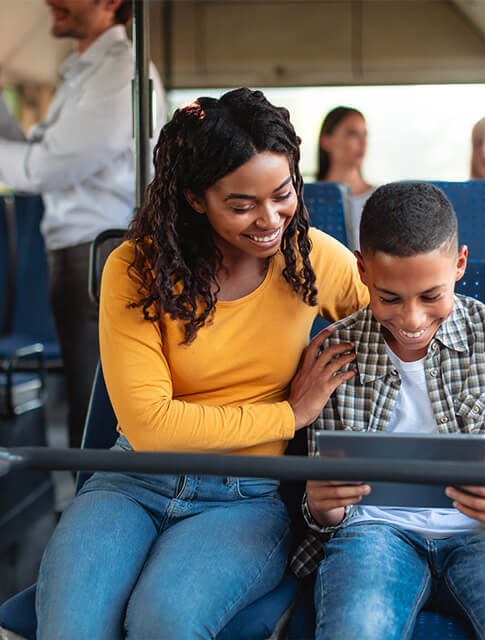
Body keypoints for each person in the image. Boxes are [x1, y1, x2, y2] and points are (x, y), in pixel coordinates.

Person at [34, 88, 369, 639]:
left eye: (282, 194)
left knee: (162, 621)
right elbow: (151, 426)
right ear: (195, 198)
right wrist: (289, 415)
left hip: (245, 495)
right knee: (71, 627)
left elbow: (412, 329)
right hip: (132, 483)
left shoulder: (314, 259)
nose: (270, 219)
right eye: (241, 205)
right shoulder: (135, 269)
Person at [290, 182, 485, 639]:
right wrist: (322, 508)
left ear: (460, 264)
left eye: (430, 296)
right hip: (375, 531)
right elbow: (327, 500)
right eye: (389, 298)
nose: (411, 320)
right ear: (361, 270)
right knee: (356, 629)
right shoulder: (334, 351)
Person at [0, 0, 167, 448]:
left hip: (101, 253)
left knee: (99, 409)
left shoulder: (120, 74)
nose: (51, 2)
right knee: (84, 393)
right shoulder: (83, 73)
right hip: (78, 255)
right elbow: (40, 154)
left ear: (110, 3)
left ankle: (95, 501)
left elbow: (42, 169)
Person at [316, 106, 374, 250]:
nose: (363, 143)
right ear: (326, 141)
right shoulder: (306, 199)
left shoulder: (380, 198)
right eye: (352, 134)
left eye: (365, 135)